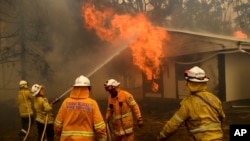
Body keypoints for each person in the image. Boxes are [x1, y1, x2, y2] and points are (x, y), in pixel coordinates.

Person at [157, 66, 226, 141]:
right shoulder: (214, 99)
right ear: (204, 82)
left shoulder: (188, 103)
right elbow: (221, 117)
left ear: (190, 83)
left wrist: (161, 137)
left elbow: (173, 125)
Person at [54, 75, 107, 141]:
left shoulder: (66, 102)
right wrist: (102, 138)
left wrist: (58, 135)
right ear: (88, 88)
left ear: (74, 88)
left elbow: (57, 124)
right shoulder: (92, 103)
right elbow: (99, 127)